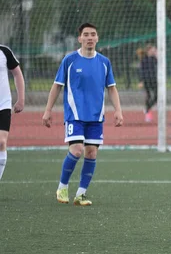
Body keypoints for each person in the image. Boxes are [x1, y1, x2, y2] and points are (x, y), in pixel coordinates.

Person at [42, 22, 124, 206]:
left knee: (91, 153)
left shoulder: (104, 62)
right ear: (79, 38)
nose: (89, 38)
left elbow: (112, 88)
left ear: (97, 38)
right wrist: (48, 110)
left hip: (96, 116)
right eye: (86, 34)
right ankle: (62, 187)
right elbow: (57, 86)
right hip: (75, 115)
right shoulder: (69, 60)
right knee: (77, 149)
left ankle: (81, 194)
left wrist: (118, 110)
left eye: (93, 34)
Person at [0, 45, 25, 180]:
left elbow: (17, 73)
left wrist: (21, 99)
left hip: (3, 105)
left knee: (2, 142)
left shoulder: (4, 51)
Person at [138, 44, 157, 123]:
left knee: (157, 96)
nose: (154, 51)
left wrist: (157, 55)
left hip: (154, 80)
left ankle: (147, 109)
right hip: (146, 80)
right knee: (148, 96)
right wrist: (141, 80)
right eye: (153, 49)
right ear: (149, 50)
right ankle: (148, 114)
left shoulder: (154, 59)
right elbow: (141, 71)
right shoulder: (144, 59)